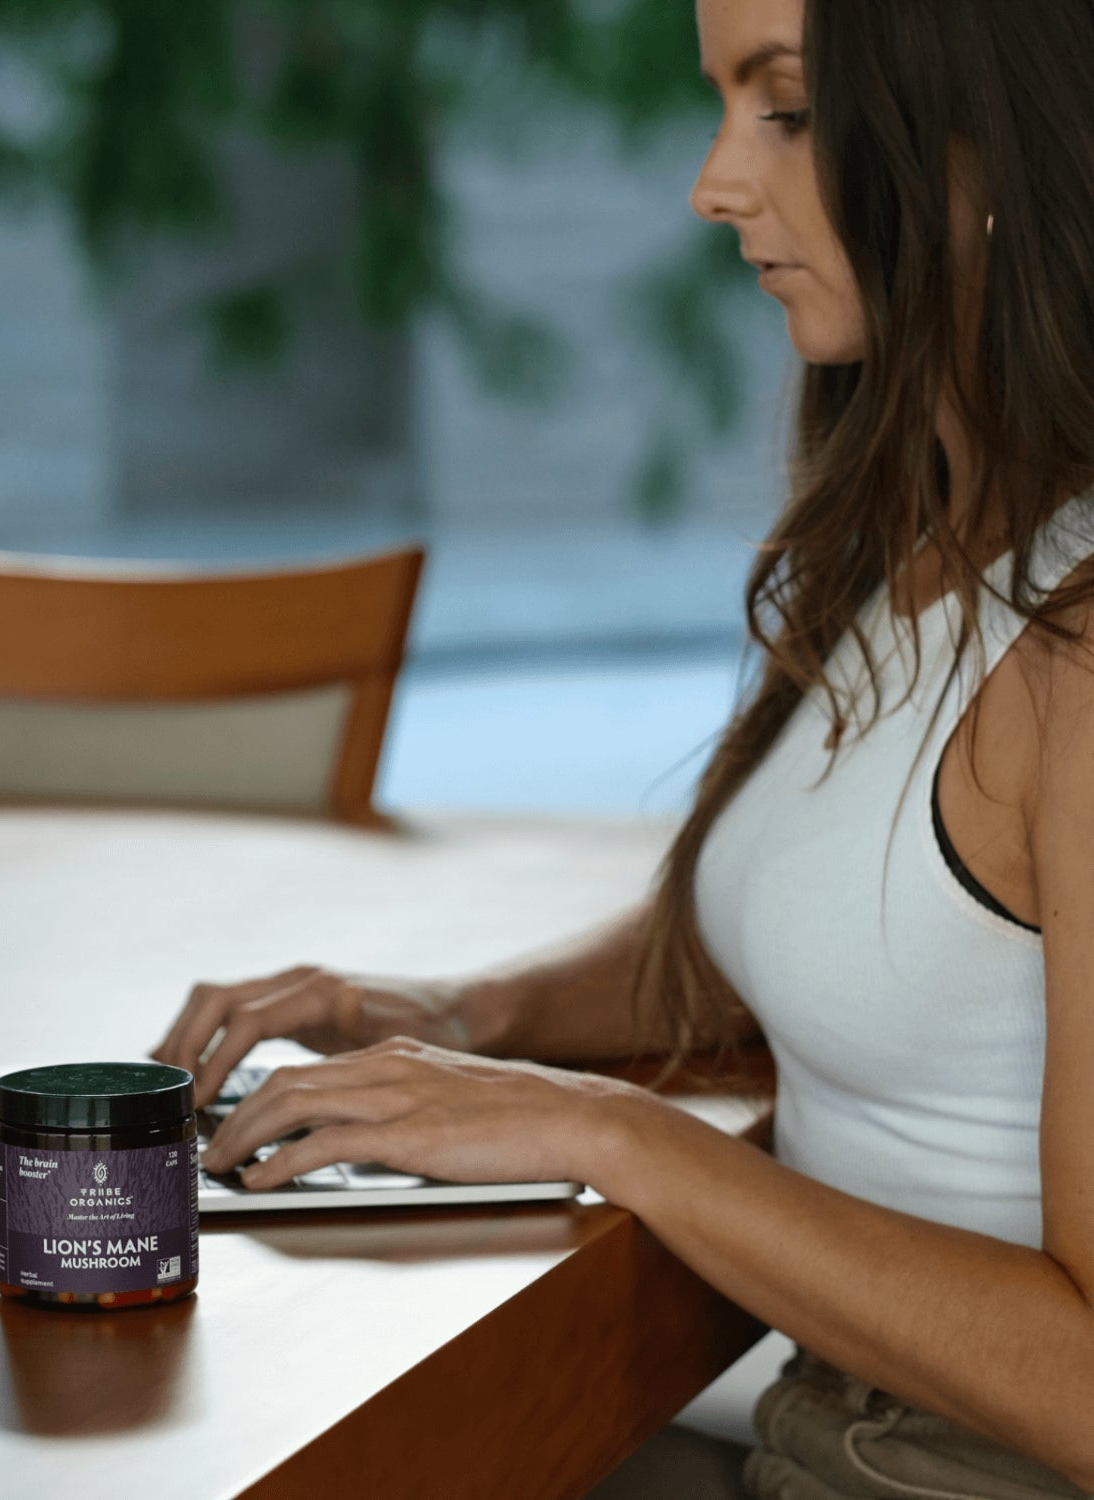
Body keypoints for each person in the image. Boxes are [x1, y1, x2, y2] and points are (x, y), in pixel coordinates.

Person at [151, 0, 1094, 1493]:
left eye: (781, 108)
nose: (716, 183)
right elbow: (883, 934)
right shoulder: (928, 526)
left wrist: (612, 1134)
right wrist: (465, 1019)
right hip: (813, 1416)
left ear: (996, 138)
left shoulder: (1081, 648)